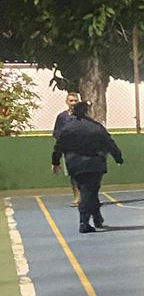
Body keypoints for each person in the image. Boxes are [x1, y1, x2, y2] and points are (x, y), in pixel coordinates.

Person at [51, 102, 124, 233]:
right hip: (95, 164)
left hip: (74, 164)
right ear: (87, 111)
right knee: (89, 192)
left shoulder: (68, 128)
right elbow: (109, 143)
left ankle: (96, 218)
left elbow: (59, 146)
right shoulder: (96, 127)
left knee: (88, 191)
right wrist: (118, 157)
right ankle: (84, 223)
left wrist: (55, 162)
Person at [52, 90, 83, 206]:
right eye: (71, 101)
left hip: (83, 149)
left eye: (75, 101)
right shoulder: (62, 117)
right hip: (69, 150)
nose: (73, 103)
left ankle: (87, 196)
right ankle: (77, 196)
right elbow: (57, 133)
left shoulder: (83, 116)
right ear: (67, 102)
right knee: (73, 174)